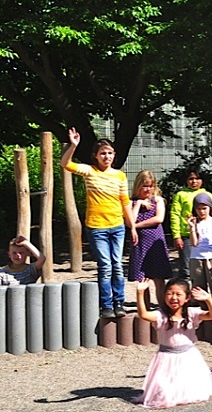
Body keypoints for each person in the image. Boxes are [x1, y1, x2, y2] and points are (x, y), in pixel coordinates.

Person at [61, 127, 136, 319]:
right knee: (105, 266)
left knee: (117, 264)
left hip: (117, 226)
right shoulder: (89, 171)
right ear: (95, 156)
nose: (107, 156)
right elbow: (65, 163)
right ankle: (106, 304)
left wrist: (132, 226)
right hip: (97, 227)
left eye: (110, 153)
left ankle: (119, 302)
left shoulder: (119, 175)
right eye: (103, 153)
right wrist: (74, 145)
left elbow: (125, 202)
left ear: (114, 155)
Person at [133, 278, 212, 408]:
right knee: (163, 393)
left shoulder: (191, 313)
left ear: (187, 297)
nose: (173, 298)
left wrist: (208, 299)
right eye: (169, 293)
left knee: (188, 388)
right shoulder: (160, 315)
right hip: (166, 356)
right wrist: (140, 293)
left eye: (178, 294)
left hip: (188, 355)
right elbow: (143, 315)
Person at [129, 170, 172, 305]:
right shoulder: (132, 202)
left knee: (159, 278)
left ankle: (163, 306)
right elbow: (129, 220)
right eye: (144, 186)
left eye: (150, 186)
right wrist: (138, 204)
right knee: (142, 278)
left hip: (155, 242)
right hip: (139, 243)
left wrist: (136, 226)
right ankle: (144, 307)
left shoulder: (158, 200)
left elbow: (158, 218)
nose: (147, 189)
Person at [170, 167, 210, 279]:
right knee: (186, 268)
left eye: (197, 178)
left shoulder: (207, 195)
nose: (194, 181)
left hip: (205, 235)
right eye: (191, 179)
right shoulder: (181, 195)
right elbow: (175, 215)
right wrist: (177, 236)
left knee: (204, 267)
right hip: (186, 236)